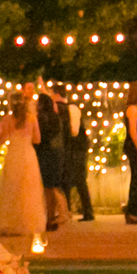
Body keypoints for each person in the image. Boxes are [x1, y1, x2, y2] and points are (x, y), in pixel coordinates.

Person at [0, 89, 48, 240]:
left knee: (12, 189)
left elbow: (2, 139)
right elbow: (37, 139)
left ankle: (11, 223)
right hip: (28, 154)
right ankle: (29, 222)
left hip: (13, 155)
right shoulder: (31, 119)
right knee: (29, 189)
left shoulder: (7, 120)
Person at [31, 79, 67, 231]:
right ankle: (53, 216)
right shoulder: (56, 118)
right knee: (52, 187)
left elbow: (39, 139)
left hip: (45, 155)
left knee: (46, 188)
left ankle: (50, 218)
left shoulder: (40, 119)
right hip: (57, 154)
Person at [63, 89, 95, 222]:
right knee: (72, 181)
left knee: (79, 180)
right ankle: (71, 211)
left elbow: (74, 131)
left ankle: (86, 211)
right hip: (76, 148)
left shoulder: (71, 108)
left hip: (77, 149)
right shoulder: (69, 108)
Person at [120, 87, 137, 224]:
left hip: (134, 145)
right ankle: (132, 211)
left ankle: (134, 210)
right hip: (133, 146)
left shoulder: (136, 108)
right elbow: (133, 131)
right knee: (136, 178)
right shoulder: (132, 109)